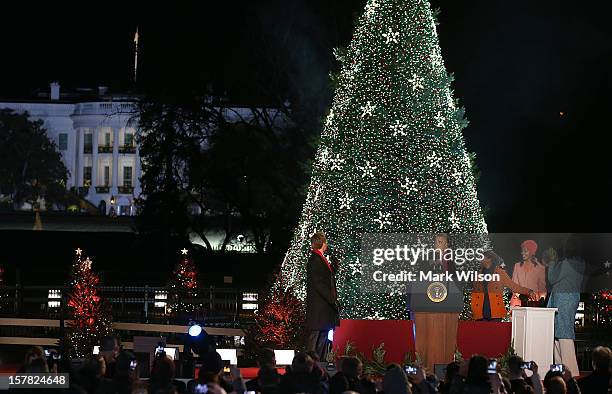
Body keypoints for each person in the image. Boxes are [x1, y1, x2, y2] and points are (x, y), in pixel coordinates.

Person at [546, 235, 585, 377]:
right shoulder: (580, 263)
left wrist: (552, 263)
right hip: (570, 298)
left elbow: (552, 278)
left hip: (563, 299)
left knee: (563, 333)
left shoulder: (568, 263)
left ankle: (570, 370)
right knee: (558, 333)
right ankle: (560, 369)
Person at [471, 250, 535, 321]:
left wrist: (529, 291)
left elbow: (514, 286)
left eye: (482, 257)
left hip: (495, 309)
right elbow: (474, 292)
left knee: (495, 331)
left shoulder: (500, 273)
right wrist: (473, 307)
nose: (480, 259)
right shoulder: (478, 274)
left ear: (489, 259)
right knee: (481, 331)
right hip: (480, 310)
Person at [305, 232, 339, 360]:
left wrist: (334, 262)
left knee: (323, 334)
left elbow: (327, 276)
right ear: (323, 243)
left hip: (323, 306)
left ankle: (319, 361)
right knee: (315, 334)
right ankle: (309, 361)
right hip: (319, 305)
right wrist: (331, 299)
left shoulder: (320, 258)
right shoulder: (315, 260)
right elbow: (319, 283)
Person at [510, 240, 547, 307]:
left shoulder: (540, 268)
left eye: (525, 251)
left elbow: (542, 288)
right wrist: (521, 296)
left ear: (532, 252)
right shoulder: (517, 266)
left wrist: (542, 298)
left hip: (533, 303)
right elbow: (514, 286)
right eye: (522, 251)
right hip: (517, 303)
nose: (522, 253)